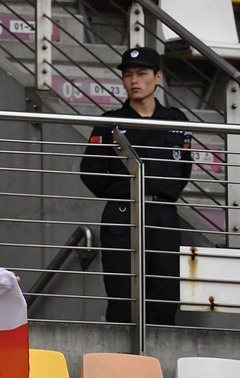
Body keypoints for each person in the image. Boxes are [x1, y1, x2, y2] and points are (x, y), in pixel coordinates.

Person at [80, 46, 192, 325]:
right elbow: (90, 171)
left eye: (142, 74)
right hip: (122, 214)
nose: (134, 81)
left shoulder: (176, 121)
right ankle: (121, 368)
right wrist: (124, 193)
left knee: (164, 297)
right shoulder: (109, 122)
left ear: (158, 78)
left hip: (163, 216)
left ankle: (158, 367)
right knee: (122, 298)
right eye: (128, 75)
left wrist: (160, 194)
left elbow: (183, 168)